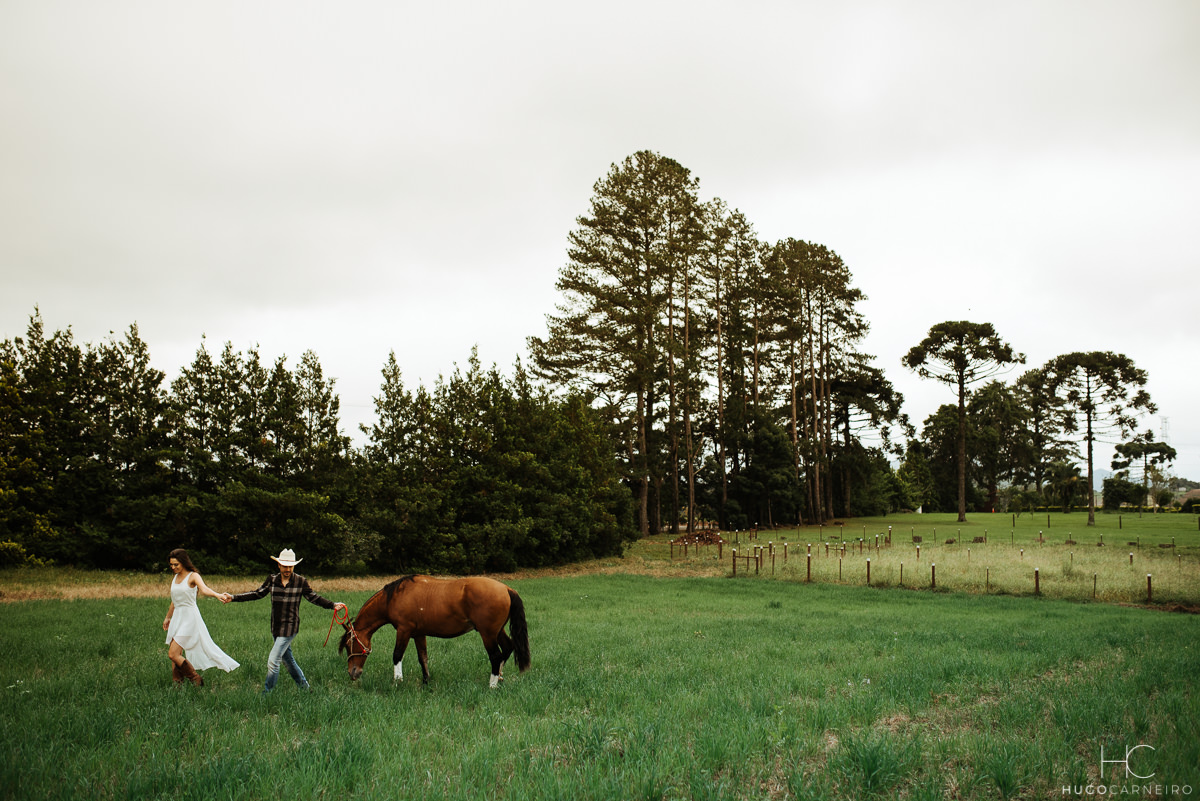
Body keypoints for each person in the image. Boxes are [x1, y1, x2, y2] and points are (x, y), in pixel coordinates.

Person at [221, 548, 346, 694]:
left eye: (290, 566)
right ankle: (305, 689)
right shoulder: (272, 580)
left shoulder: (300, 581)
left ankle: (267, 694)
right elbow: (257, 594)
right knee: (288, 661)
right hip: (276, 626)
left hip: (290, 627)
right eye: (284, 566)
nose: (287, 569)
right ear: (279, 565)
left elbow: (314, 597)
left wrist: (332, 605)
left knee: (273, 660)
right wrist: (234, 597)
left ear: (294, 566)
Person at [163, 548, 240, 687]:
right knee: (176, 653)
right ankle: (177, 684)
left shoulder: (193, 576)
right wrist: (168, 618)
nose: (173, 567)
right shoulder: (175, 577)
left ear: (183, 562)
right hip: (177, 617)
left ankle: (196, 679)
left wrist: (217, 595)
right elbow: (174, 600)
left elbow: (204, 589)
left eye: (176, 565)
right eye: (171, 565)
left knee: (173, 654)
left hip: (189, 618)